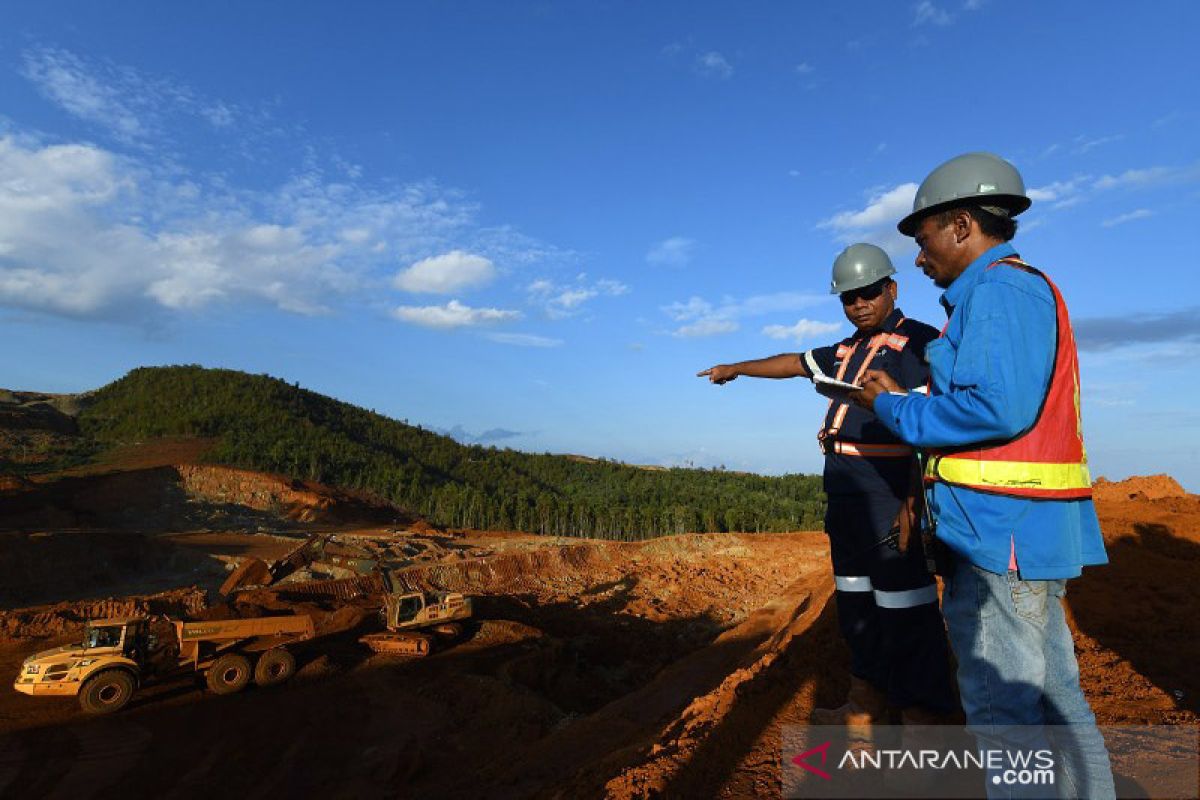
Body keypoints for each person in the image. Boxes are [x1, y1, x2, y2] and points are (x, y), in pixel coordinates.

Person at [853, 152, 1115, 797]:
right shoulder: (1007, 291)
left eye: (922, 240)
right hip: (1015, 531)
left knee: (1004, 717)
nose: (918, 258)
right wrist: (910, 403)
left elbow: (994, 407)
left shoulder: (999, 290)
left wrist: (888, 407)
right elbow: (995, 404)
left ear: (963, 224)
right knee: (1054, 701)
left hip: (997, 533)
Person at [698, 243, 956, 736]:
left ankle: (922, 723)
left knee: (906, 609)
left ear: (891, 289)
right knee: (856, 603)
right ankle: (865, 706)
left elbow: (933, 427)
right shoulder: (844, 349)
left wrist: (911, 502)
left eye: (868, 293)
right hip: (846, 493)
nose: (858, 304)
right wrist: (735, 367)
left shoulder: (923, 345)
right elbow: (794, 362)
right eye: (848, 298)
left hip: (888, 492)